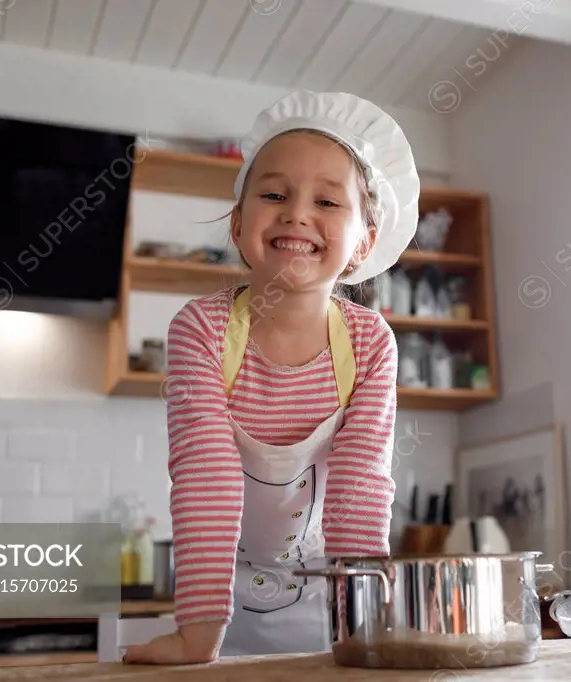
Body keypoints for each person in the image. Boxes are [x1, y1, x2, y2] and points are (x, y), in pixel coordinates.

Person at [122, 90, 421, 665]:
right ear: (238, 224)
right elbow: (204, 474)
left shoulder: (368, 343)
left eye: (328, 202)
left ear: (364, 241)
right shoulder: (202, 329)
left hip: (329, 603)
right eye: (275, 194)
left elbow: (360, 491)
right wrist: (197, 634)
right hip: (211, 600)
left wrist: (363, 625)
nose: (297, 213)